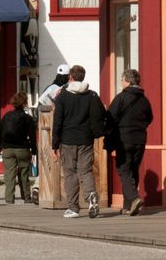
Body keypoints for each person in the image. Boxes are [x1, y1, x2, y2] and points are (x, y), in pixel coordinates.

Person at [53, 65, 108, 219]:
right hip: (86, 139)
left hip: (68, 139)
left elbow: (57, 121)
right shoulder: (91, 95)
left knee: (70, 173)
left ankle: (73, 208)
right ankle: (91, 196)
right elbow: (102, 114)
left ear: (70, 76)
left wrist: (54, 144)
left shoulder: (63, 96)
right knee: (85, 171)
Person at [107, 68, 154, 216]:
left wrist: (109, 138)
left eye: (122, 80)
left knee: (123, 170)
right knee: (133, 169)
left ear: (127, 81)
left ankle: (133, 199)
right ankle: (128, 206)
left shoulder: (121, 98)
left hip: (124, 138)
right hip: (140, 139)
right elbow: (150, 118)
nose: (121, 82)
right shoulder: (144, 99)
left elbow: (110, 118)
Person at [36, 66, 69, 210]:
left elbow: (39, 104)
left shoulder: (49, 87)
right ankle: (48, 189)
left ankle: (38, 186)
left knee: (46, 159)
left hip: (45, 128)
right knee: (56, 160)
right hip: (56, 129)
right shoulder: (61, 89)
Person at [0, 93, 36, 205]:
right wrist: (34, 151)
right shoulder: (27, 118)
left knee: (9, 173)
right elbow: (32, 137)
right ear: (24, 103)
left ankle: (9, 198)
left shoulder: (6, 116)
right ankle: (26, 196)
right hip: (22, 148)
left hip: (8, 148)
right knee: (24, 173)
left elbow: (0, 132)